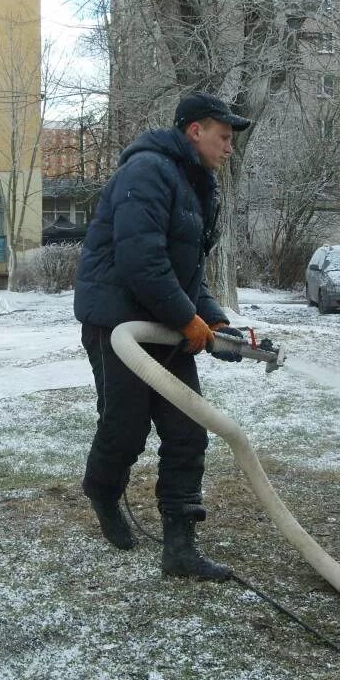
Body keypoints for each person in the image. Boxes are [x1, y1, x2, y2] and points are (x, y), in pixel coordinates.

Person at [73, 91, 252, 582]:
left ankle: (180, 548)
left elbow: (186, 271)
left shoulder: (197, 185)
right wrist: (187, 318)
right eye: (223, 135)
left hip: (164, 324)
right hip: (118, 323)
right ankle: (103, 492)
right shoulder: (147, 171)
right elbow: (141, 261)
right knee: (125, 426)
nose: (229, 146)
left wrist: (211, 320)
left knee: (187, 430)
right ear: (195, 130)